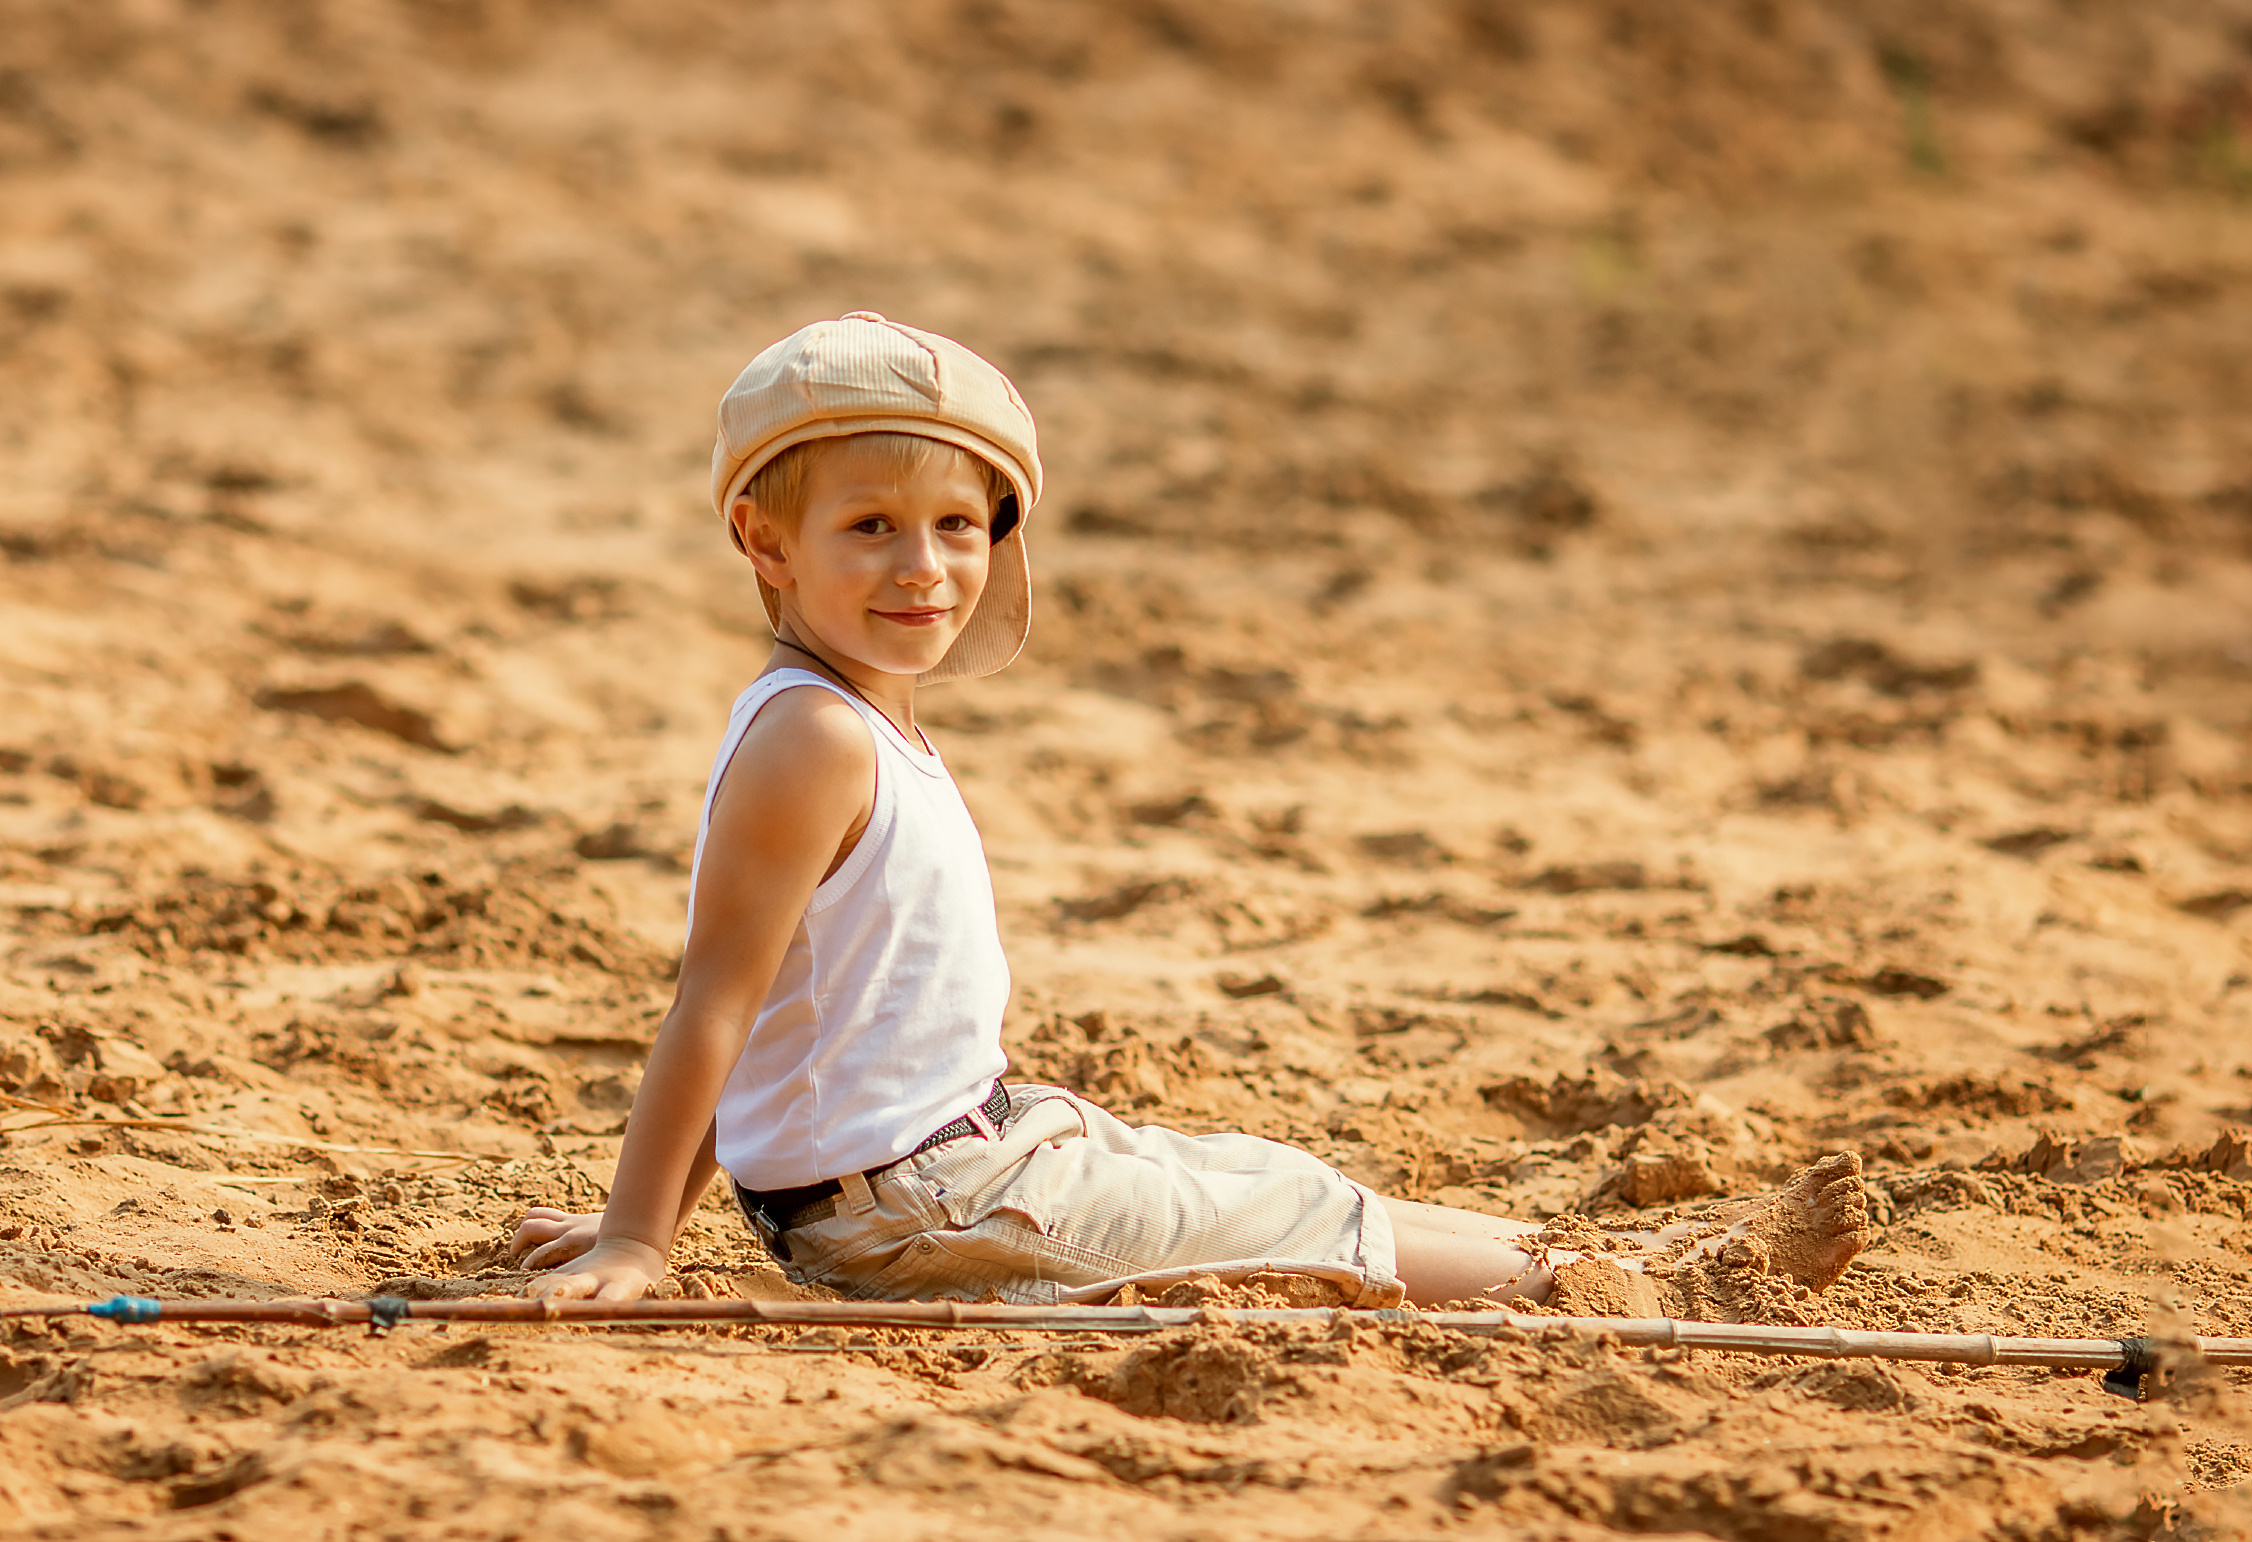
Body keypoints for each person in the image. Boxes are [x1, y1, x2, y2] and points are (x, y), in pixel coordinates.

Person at [512, 312, 1871, 1307]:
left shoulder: (854, 714)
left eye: (959, 527)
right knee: (1287, 1227)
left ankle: (1631, 1265)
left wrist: (658, 1214)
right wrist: (638, 1234)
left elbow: (779, 1031)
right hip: (909, 1207)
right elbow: (718, 1001)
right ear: (765, 539)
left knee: (1260, 1174)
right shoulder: (810, 738)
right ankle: (1650, 1297)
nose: (923, 566)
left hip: (961, 1146)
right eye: (868, 525)